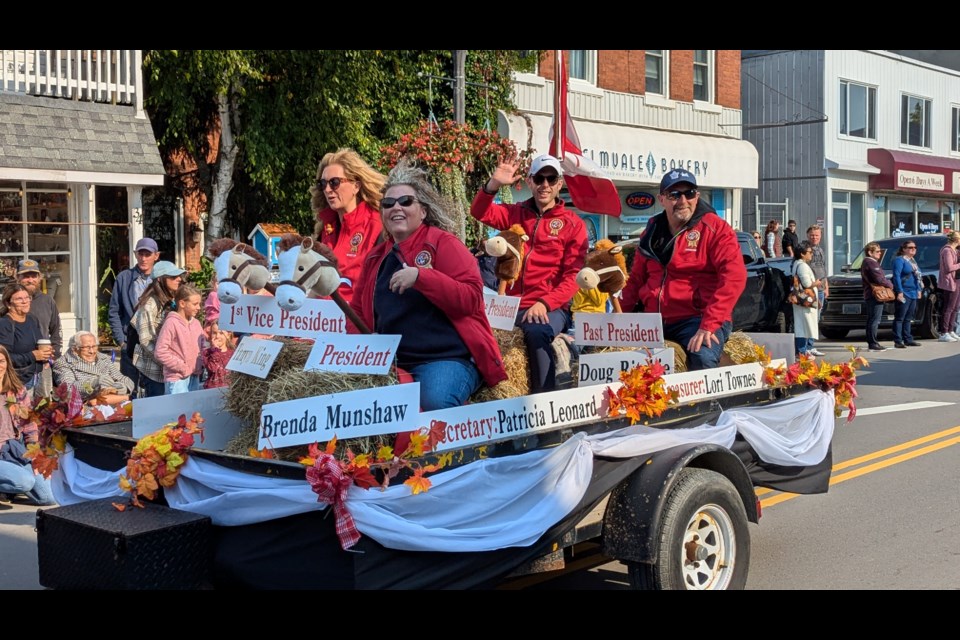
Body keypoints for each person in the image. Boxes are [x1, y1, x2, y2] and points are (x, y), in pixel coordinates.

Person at [350, 161, 507, 410]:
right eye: (388, 204)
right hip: (391, 360)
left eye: (405, 201)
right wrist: (354, 353)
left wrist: (422, 278)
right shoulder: (375, 257)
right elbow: (357, 311)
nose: (396, 208)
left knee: (433, 401)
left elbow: (471, 298)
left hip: (446, 358)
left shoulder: (443, 243)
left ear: (423, 211)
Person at [471, 154, 587, 392]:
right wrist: (493, 185)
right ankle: (482, 399)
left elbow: (572, 278)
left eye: (551, 179)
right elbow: (478, 212)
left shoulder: (573, 224)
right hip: (511, 306)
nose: (545, 185)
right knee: (474, 331)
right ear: (530, 181)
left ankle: (544, 406)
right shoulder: (515, 213)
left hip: (551, 308)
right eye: (539, 178)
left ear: (559, 184)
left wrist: (544, 304)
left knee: (536, 333)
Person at [621, 169, 746, 370]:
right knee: (613, 357)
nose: (683, 201)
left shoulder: (715, 228)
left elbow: (734, 277)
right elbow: (636, 279)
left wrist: (709, 324)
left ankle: (710, 402)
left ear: (697, 196)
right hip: (653, 320)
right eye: (674, 195)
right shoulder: (652, 229)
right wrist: (618, 319)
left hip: (697, 318)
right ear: (662, 199)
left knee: (702, 357)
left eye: (689, 193)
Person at [310, 148, 386, 304]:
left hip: (358, 321)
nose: (327, 189)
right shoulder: (325, 228)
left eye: (334, 182)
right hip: (323, 319)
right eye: (323, 184)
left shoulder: (379, 226)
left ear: (356, 186)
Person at [0, 345, 54, 506]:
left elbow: (29, 425)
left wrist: (34, 454)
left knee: (48, 497)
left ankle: (8, 483)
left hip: (14, 450)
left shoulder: (17, 390)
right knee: (24, 482)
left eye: (1, 361)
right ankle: (11, 481)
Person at [108, 237, 160, 385]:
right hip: (130, 342)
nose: (143, 258)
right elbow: (114, 311)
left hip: (154, 343)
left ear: (156, 256)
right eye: (140, 254)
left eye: (147, 254)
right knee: (130, 390)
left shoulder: (161, 279)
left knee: (153, 390)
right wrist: (121, 341)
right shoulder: (124, 278)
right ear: (135, 254)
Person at [131, 261, 185, 398]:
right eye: (173, 277)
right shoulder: (150, 304)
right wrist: (167, 360)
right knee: (158, 413)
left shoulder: (170, 300)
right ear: (160, 280)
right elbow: (146, 339)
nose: (179, 279)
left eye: (179, 275)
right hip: (154, 371)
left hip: (169, 369)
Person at [52, 331, 134, 403]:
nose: (92, 351)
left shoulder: (103, 358)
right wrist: (93, 383)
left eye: (94, 346)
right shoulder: (63, 363)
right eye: (87, 347)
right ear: (74, 349)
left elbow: (125, 380)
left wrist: (118, 389)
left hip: (111, 401)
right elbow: (68, 389)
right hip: (82, 407)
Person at [0, 284, 52, 390]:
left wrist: (46, 354)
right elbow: (3, 358)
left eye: (27, 297)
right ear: (8, 304)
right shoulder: (5, 324)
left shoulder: (32, 319)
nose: (25, 302)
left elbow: (37, 344)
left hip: (36, 377)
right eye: (19, 299)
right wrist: (32, 356)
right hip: (16, 382)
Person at [154, 283, 204, 395]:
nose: (199, 308)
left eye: (199, 304)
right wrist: (182, 367)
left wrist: (200, 363)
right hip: (177, 379)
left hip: (194, 376)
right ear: (182, 303)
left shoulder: (196, 323)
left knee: (193, 412)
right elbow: (160, 352)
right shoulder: (171, 323)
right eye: (195, 304)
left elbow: (202, 346)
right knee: (179, 412)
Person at [17, 259, 62, 359]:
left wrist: (54, 356)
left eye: (34, 276)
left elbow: (56, 331)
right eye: (26, 276)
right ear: (17, 278)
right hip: (18, 360)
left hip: (44, 359)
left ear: (39, 278)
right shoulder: (9, 301)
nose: (30, 280)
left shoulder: (47, 301)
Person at [861, 242, 893, 352]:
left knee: (872, 319)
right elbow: (879, 279)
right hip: (874, 294)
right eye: (877, 251)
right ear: (870, 252)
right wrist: (890, 285)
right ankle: (873, 343)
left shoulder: (869, 262)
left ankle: (872, 342)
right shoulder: (871, 263)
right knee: (875, 319)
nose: (880, 253)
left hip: (870, 294)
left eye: (880, 251)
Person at [891, 240, 923, 348]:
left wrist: (919, 289)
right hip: (904, 291)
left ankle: (908, 339)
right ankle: (898, 340)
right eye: (910, 247)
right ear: (904, 249)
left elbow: (917, 277)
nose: (913, 249)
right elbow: (896, 276)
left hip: (913, 292)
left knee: (909, 317)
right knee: (900, 317)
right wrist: (899, 291)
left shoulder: (913, 261)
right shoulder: (899, 260)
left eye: (915, 247)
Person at [791, 241, 820, 358]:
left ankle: (802, 351)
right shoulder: (802, 266)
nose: (811, 254)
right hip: (804, 301)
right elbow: (807, 283)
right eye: (809, 252)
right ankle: (802, 352)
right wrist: (816, 283)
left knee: (802, 325)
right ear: (802, 254)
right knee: (804, 326)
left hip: (800, 301)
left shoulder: (797, 264)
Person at [806, 225, 829, 356]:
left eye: (817, 235)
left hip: (820, 289)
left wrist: (826, 287)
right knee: (810, 319)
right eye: (812, 235)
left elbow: (824, 270)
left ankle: (811, 345)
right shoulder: (806, 250)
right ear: (808, 235)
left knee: (816, 319)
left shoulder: (820, 250)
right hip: (811, 289)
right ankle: (806, 348)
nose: (814, 237)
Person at [937, 231, 960, 342]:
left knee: (955, 307)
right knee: (948, 308)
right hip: (949, 282)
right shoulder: (947, 250)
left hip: (956, 281)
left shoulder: (954, 250)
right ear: (956, 240)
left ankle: (951, 330)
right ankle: (943, 332)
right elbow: (949, 267)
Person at [202, 322, 235, 389]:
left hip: (229, 390)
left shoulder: (233, 353)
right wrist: (215, 350)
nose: (217, 336)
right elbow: (213, 368)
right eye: (214, 333)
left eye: (221, 333)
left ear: (228, 335)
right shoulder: (207, 353)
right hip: (212, 389)